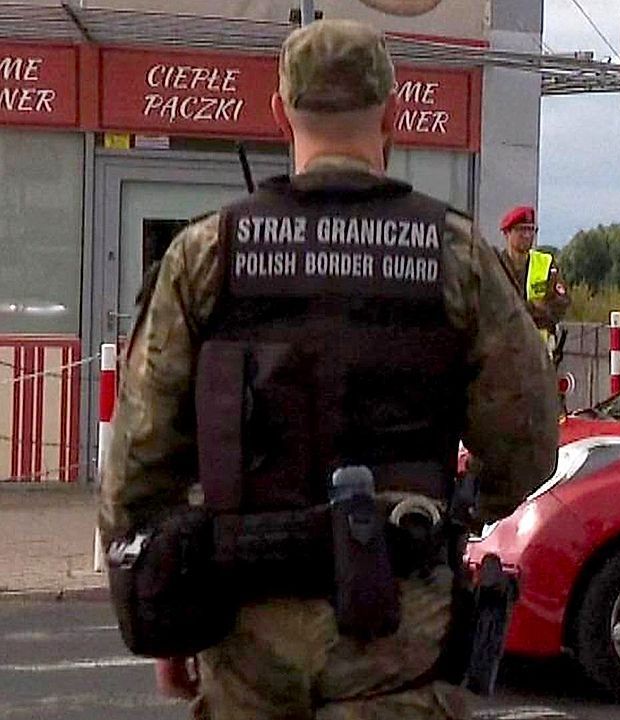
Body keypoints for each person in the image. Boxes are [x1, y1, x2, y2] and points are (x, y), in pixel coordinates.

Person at [100, 19, 558, 719]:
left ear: (279, 110)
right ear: (395, 113)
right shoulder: (455, 257)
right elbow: (526, 447)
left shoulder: (206, 255)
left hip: (243, 639)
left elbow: (136, 470)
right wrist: (449, 522)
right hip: (400, 635)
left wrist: (168, 615)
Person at [497, 205, 570, 346]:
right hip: (502, 350)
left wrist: (516, 309)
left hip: (538, 350)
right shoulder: (494, 265)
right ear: (507, 233)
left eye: (531, 230)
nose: (527, 235)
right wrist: (534, 307)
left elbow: (560, 305)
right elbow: (491, 310)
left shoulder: (545, 263)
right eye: (521, 230)